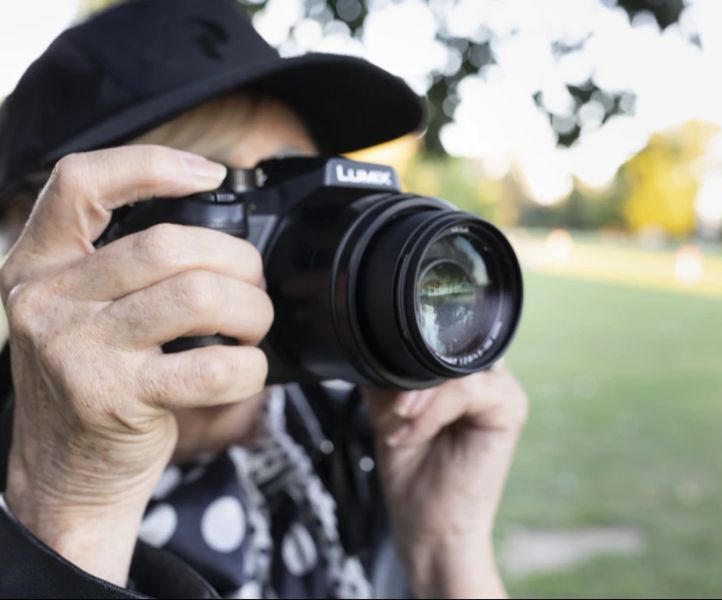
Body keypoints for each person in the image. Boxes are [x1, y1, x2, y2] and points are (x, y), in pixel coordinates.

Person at [0, 1, 527, 598]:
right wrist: (71, 511)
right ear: (35, 237)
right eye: (228, 193)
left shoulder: (357, 432)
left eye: (299, 188)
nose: (284, 250)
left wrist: (446, 550)